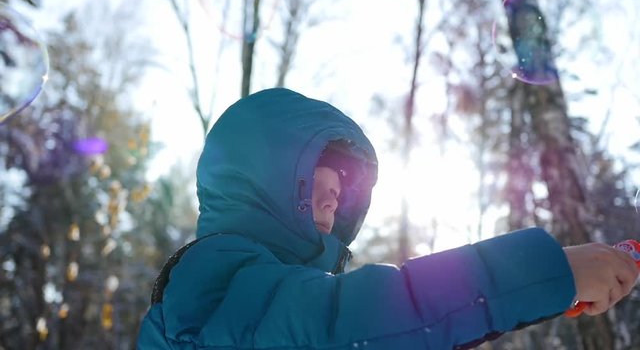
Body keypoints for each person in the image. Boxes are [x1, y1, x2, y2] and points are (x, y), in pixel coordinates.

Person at [136, 88, 639, 349]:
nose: (334, 202)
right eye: (318, 186)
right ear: (266, 179)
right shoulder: (212, 275)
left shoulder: (281, 291)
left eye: (339, 191)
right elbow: (350, 322)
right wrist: (548, 272)